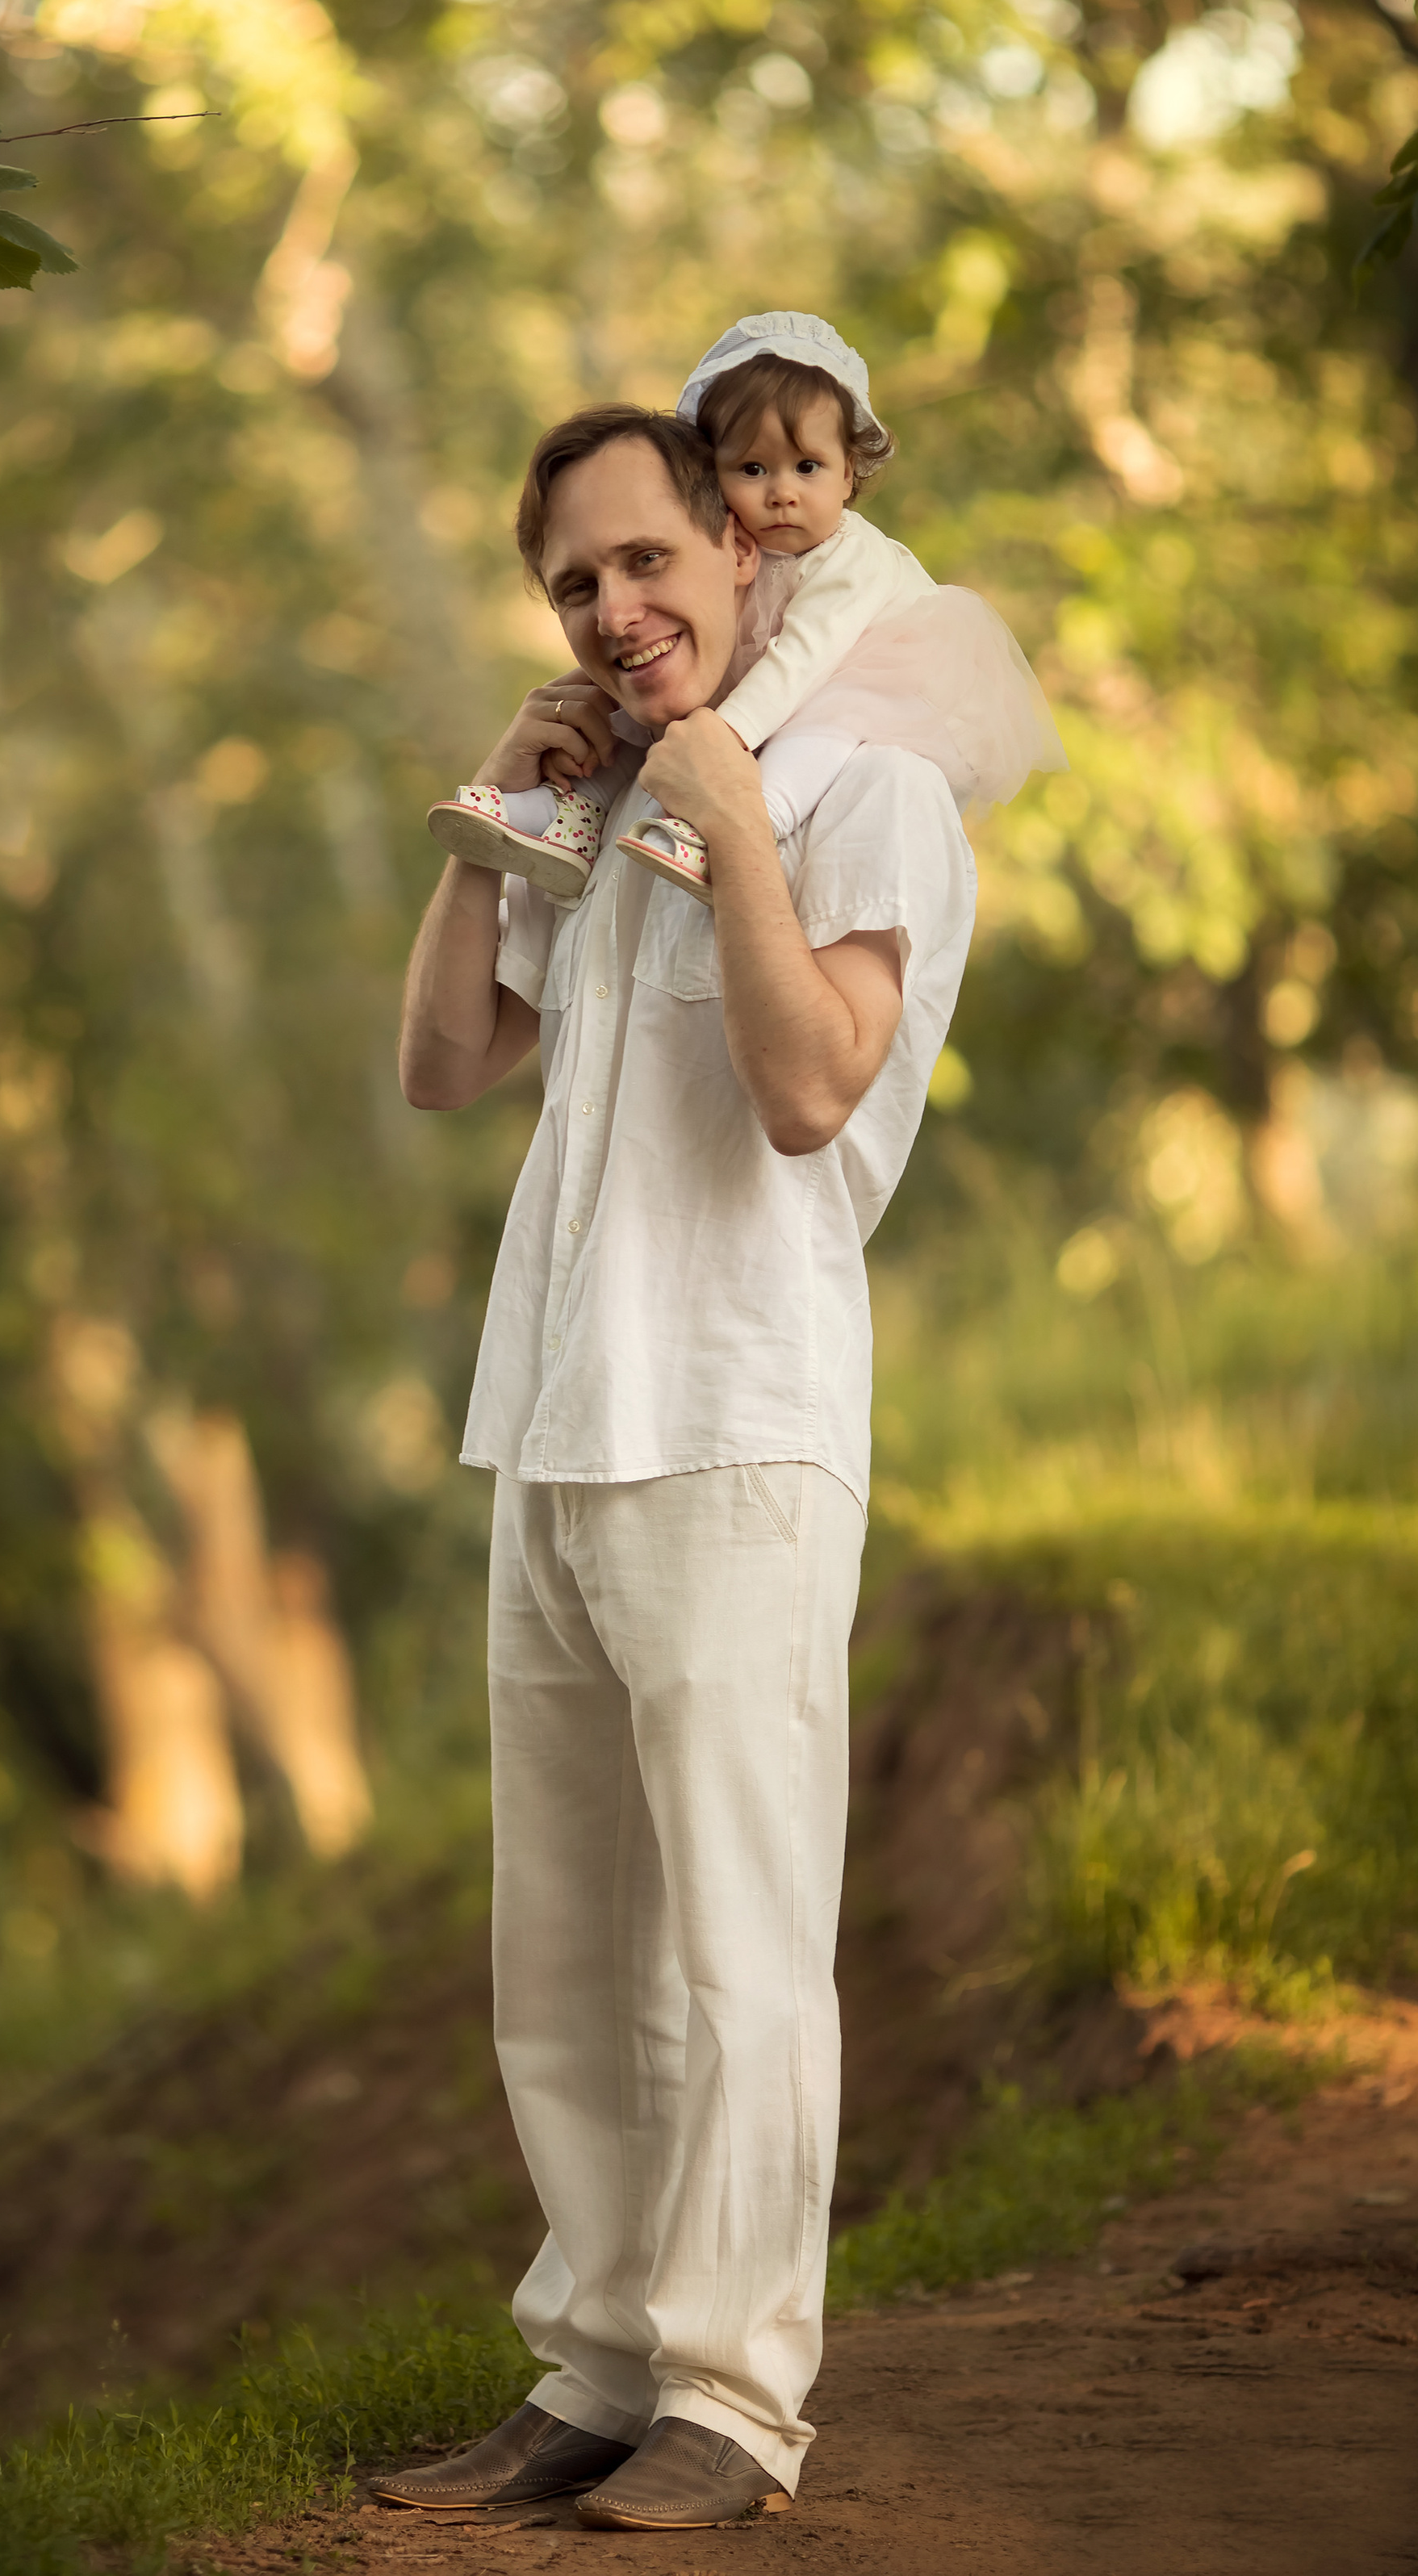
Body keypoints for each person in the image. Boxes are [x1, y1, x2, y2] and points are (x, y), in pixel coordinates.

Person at [379, 401, 981, 2530]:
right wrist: (498, 811)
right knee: (570, 1942)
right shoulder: (597, 795)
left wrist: (725, 804)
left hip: (737, 1419)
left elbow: (817, 1089)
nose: (616, 609)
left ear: (742, 540)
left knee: (735, 1938)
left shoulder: (861, 778)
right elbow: (447, 1065)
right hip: (555, 1417)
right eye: (572, 584)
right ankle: (600, 2361)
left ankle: (736, 2396)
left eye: (647, 561)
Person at [425, 311, 1060, 906]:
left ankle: (753, 819)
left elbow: (803, 657)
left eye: (807, 466)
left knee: (823, 733)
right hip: (769, 692)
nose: (782, 492)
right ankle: (563, 814)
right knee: (623, 715)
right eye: (753, 469)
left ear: (849, 475)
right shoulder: (739, 559)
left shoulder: (854, 562)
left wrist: (725, 737)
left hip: (865, 677)